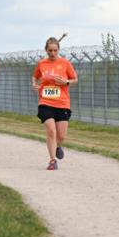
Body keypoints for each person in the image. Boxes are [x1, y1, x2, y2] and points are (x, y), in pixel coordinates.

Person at [31, 34, 76, 170]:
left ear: (58, 50)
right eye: (50, 50)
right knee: (51, 131)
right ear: (46, 50)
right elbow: (35, 76)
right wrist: (34, 84)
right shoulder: (41, 63)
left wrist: (66, 82)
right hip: (45, 102)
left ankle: (59, 146)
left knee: (61, 135)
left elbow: (74, 79)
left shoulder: (65, 63)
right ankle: (52, 160)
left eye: (55, 50)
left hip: (62, 103)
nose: (52, 53)